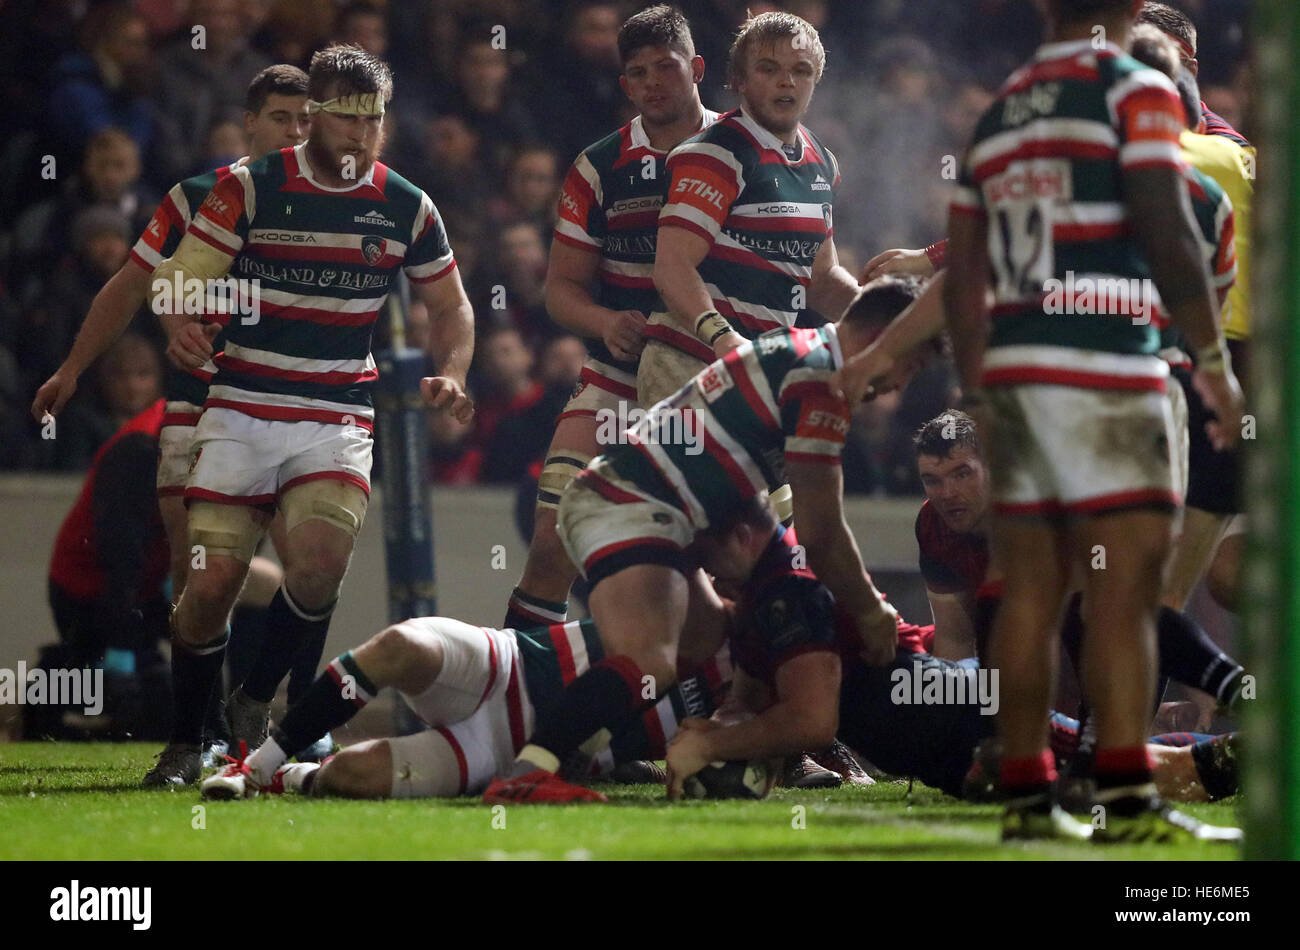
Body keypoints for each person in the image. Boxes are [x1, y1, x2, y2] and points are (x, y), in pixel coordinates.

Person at [944, 0, 1243, 840]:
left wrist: (980, 390)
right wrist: (1212, 366)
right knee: (1124, 595)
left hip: (1017, 377)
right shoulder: (1134, 88)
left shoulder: (1001, 108)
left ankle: (1029, 800)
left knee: (1032, 592)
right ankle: (1127, 800)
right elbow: (1164, 216)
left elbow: (962, 268)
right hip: (1114, 365)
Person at [140, 44, 475, 788]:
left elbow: (449, 304)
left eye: (374, 121)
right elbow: (175, 281)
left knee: (320, 565)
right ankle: (186, 740)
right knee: (209, 590)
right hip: (238, 411)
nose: (360, 136)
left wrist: (450, 372)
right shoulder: (250, 188)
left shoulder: (407, 204)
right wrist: (184, 319)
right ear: (314, 118)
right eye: (347, 119)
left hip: (334, 412)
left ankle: (255, 703)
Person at [480, 278, 912, 804]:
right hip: (630, 504)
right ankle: (528, 770)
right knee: (648, 661)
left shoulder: (800, 349)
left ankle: (577, 748)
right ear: (880, 336)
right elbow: (820, 530)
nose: (898, 387)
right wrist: (870, 610)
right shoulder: (819, 376)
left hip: (650, 508)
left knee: (707, 641)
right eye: (909, 362)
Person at [664, 498, 1241, 832]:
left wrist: (713, 749)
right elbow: (753, 690)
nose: (708, 576)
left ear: (741, 536)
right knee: (1111, 770)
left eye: (709, 558)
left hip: (953, 718)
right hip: (941, 723)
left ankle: (1258, 756)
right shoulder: (759, 592)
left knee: (1135, 778)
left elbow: (812, 722)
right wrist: (722, 725)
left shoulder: (787, 586)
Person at [503, 4, 719, 632]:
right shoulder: (599, 167)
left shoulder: (744, 150)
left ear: (697, 69)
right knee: (552, 539)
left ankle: (743, 711)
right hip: (620, 372)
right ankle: (514, 702)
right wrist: (604, 322)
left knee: (746, 558)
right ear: (624, 85)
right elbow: (561, 290)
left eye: (666, 67)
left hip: (719, 375)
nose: (653, 82)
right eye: (638, 72)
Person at [642, 10, 861, 408]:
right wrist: (725, 340)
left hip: (760, 372)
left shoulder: (822, 162)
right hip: (687, 364)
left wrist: (889, 320)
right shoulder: (714, 153)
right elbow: (671, 268)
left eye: (802, 70)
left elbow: (821, 279)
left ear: (816, 81)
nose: (787, 81)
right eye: (768, 68)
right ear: (738, 81)